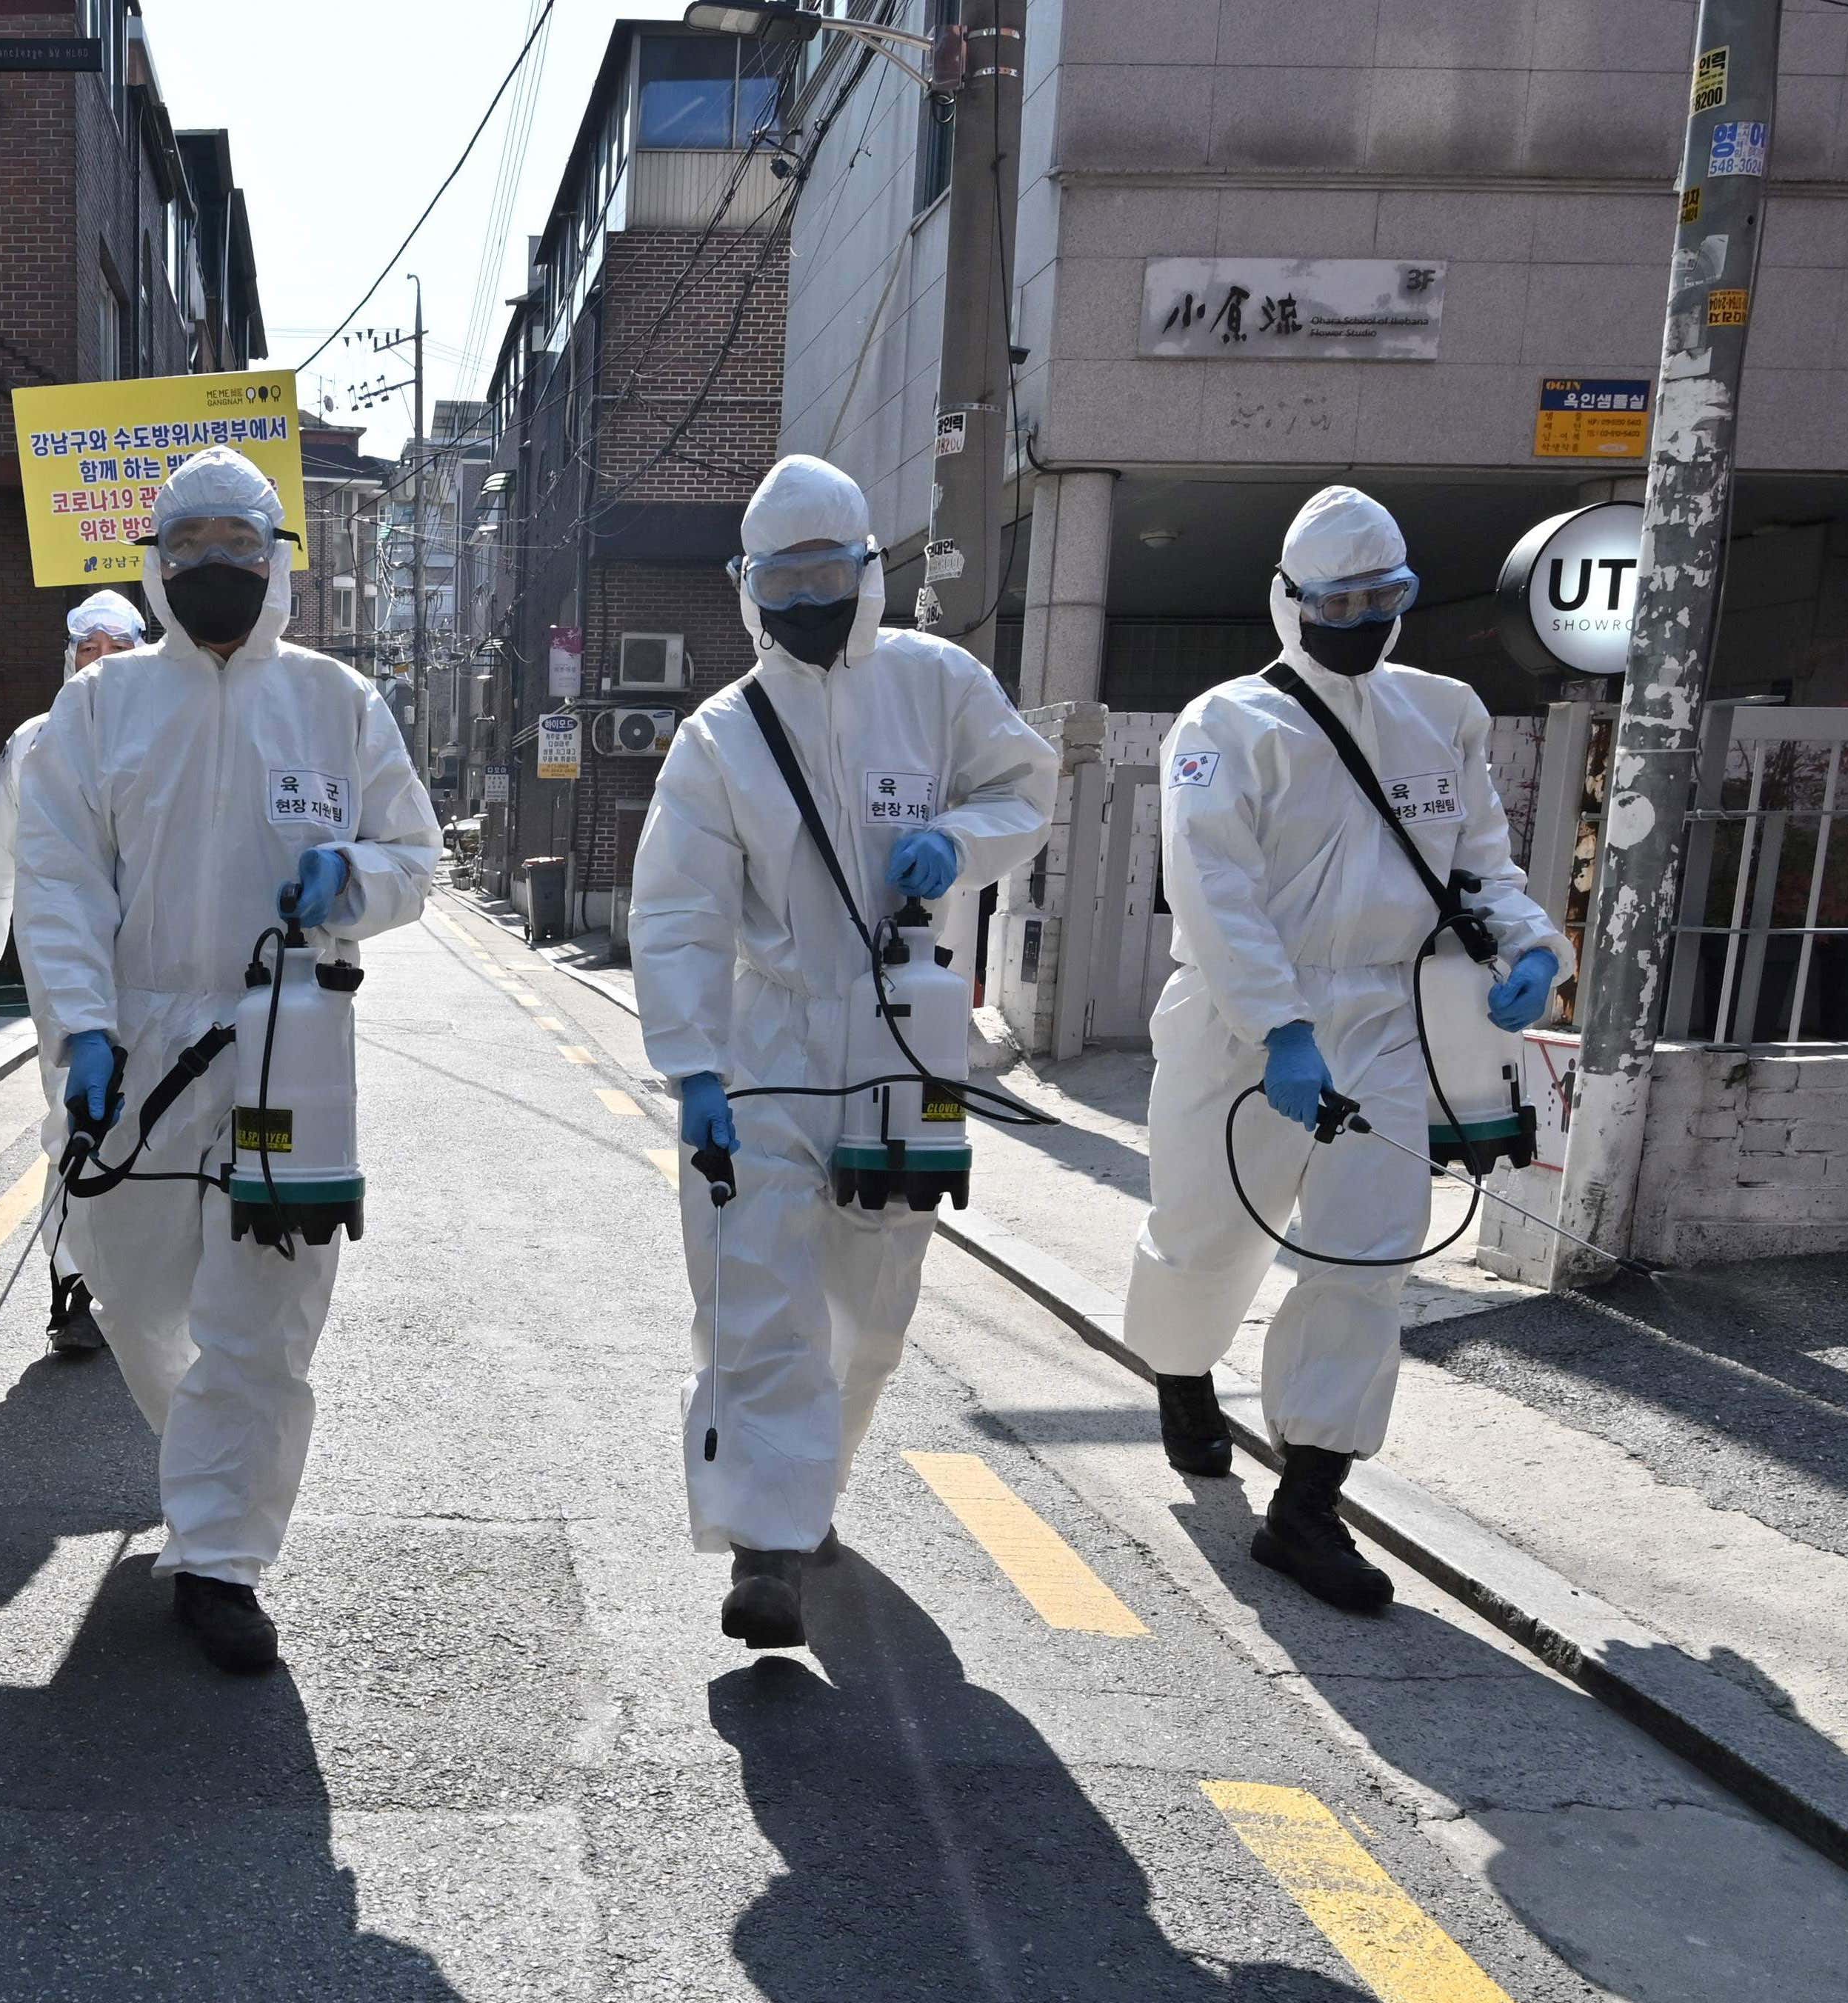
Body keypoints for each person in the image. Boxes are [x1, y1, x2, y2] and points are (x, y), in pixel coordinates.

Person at [10, 444, 440, 1675]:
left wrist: (351, 877)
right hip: (139, 1043)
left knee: (263, 1316)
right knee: (138, 1290)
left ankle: (220, 1557)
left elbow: (415, 858)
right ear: (156, 565)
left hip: (286, 1043)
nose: (216, 570)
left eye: (239, 550)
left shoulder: (337, 703)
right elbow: (58, 883)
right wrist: (82, 1027)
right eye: (191, 549)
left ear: (278, 563)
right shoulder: (96, 710)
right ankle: (205, 1472)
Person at [628, 454, 1058, 1650]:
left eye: (829, 571)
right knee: (757, 1296)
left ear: (871, 569)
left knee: (870, 1311)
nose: (809, 595)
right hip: (770, 1035)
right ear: (748, 585)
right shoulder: (720, 737)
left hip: (901, 1045)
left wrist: (958, 840)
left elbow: (1025, 786)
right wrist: (694, 1065)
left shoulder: (936, 682)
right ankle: (766, 1548)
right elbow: (677, 911)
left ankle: (805, 1486)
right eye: (785, 576)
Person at [1120, 485, 1561, 1615]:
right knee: (1203, 1233)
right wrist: (1277, 1025)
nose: (1361, 616)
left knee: (1365, 1259)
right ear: (1289, 601)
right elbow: (1210, 891)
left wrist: (1525, 943)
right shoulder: (1224, 726)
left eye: (1383, 596)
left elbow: (1478, 861)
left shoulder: (1442, 714)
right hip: (1242, 1022)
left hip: (1386, 1019)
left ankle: (1307, 1502)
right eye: (1339, 599)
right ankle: (1181, 1370)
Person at [0, 587, 150, 1356]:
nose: (98, 665)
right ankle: (72, 1282)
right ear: (69, 658)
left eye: (116, 651)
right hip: (62, 963)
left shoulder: (172, 737)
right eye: (87, 651)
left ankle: (148, 1283)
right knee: (74, 1120)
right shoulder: (34, 742)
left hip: (155, 960)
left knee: (161, 1120)